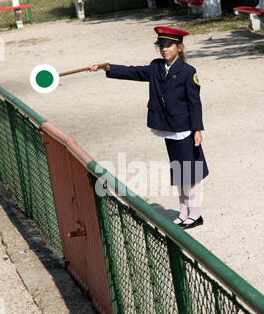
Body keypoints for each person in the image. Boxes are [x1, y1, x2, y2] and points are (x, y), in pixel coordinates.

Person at [88, 26, 208, 230]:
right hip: (169, 127)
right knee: (179, 171)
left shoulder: (188, 72)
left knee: (191, 172)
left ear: (179, 47)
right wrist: (106, 66)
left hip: (185, 128)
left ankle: (195, 214)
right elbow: (134, 71)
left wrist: (197, 129)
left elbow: (194, 103)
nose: (164, 50)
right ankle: (184, 212)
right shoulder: (156, 67)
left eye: (168, 46)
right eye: (161, 46)